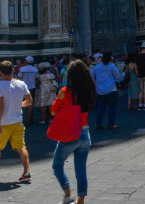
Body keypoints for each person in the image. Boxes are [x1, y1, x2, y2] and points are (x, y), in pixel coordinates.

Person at [51, 58, 96, 204]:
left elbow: (53, 111)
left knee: (57, 165)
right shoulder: (89, 90)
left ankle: (68, 194)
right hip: (84, 133)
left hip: (70, 135)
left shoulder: (65, 92)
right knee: (81, 169)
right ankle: (81, 199)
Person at [0, 60, 32, 182]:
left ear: (0, 72)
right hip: (17, 121)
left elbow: (0, 106)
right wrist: (18, 104)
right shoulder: (22, 84)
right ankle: (26, 172)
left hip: (4, 122)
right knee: (21, 147)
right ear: (12, 70)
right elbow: (30, 101)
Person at [89, 51, 122, 129]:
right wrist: (117, 81)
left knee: (100, 109)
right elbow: (118, 77)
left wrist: (95, 83)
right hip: (111, 89)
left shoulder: (96, 67)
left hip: (100, 90)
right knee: (112, 108)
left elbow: (91, 76)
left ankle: (98, 124)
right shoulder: (112, 66)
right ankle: (111, 124)